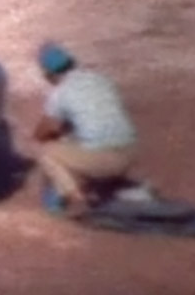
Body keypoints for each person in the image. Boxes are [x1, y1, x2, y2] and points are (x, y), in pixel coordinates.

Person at [33, 43, 137, 217]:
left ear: (49, 75)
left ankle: (76, 199)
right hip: (130, 153)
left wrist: (51, 133)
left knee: (45, 151)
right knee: (74, 138)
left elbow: (42, 133)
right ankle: (107, 186)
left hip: (104, 160)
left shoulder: (60, 92)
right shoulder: (99, 79)